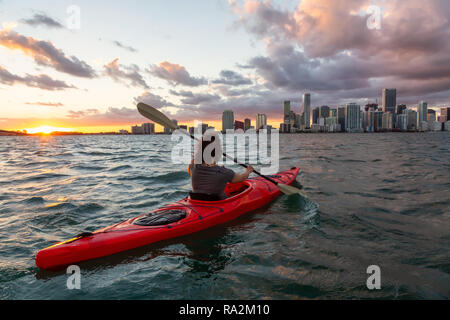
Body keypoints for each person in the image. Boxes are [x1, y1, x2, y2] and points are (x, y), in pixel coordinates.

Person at [188, 134, 253, 200]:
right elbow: (242, 178)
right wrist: (248, 171)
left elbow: (193, 163)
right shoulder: (223, 172)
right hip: (217, 202)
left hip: (196, 200)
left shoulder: (193, 167)